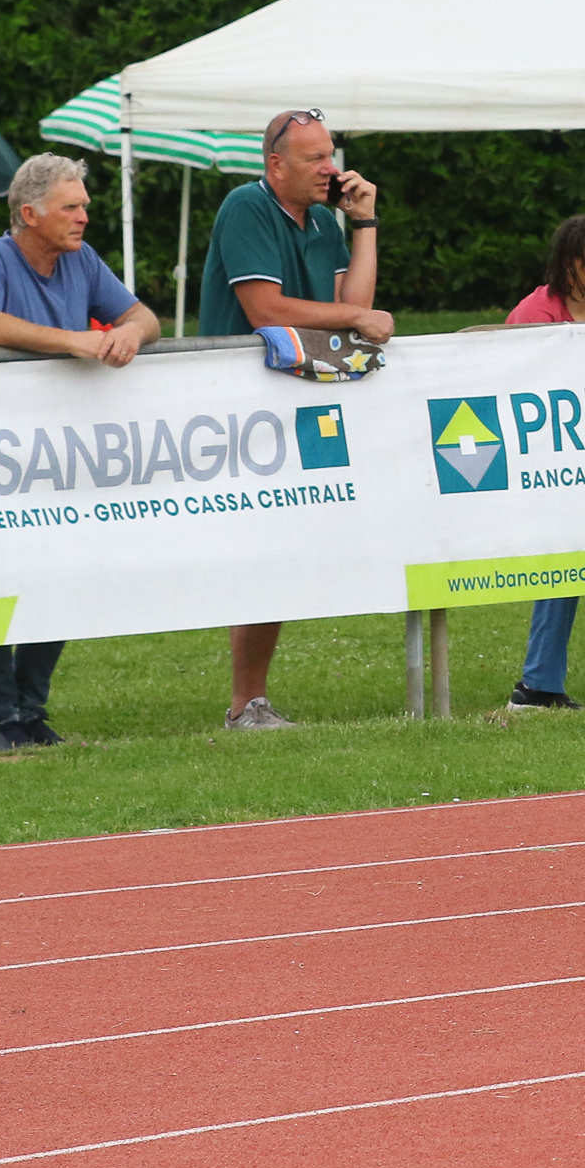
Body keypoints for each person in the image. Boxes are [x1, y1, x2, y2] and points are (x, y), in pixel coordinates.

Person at [0, 154, 159, 750]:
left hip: (62, 450)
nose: (83, 218)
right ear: (29, 215)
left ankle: (31, 709)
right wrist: (72, 341)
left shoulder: (82, 259)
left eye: (84, 207)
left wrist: (129, 332)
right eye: (71, 208)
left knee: (62, 574)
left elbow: (143, 315)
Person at [198, 109, 387, 730]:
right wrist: (356, 320)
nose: (330, 168)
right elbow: (266, 309)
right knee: (258, 552)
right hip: (236, 406)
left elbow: (353, 303)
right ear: (276, 166)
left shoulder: (323, 219)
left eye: (330, 155)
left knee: (277, 551)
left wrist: (364, 224)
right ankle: (245, 702)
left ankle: (250, 701)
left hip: (291, 402)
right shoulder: (246, 207)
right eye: (315, 159)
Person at [502, 214, 585, 711]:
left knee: (569, 564)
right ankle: (538, 685)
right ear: (572, 263)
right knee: (563, 561)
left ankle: (539, 684)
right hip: (534, 467)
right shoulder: (532, 314)